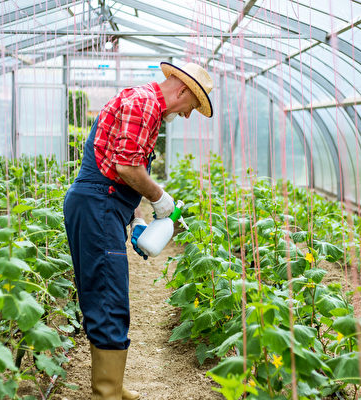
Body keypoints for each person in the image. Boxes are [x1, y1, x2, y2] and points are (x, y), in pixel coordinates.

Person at [63, 62, 214, 399]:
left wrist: (137, 217)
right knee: (107, 298)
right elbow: (126, 166)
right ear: (183, 90)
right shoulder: (145, 105)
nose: (189, 115)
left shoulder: (144, 105)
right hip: (97, 205)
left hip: (104, 204)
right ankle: (107, 392)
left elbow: (119, 170)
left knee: (106, 293)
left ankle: (111, 386)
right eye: (193, 107)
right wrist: (159, 197)